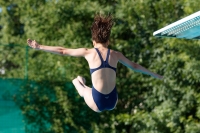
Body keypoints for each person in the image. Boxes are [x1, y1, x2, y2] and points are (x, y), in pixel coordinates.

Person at [27, 14, 163, 113]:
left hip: (97, 103)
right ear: (108, 41)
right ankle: (81, 82)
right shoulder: (116, 55)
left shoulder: (88, 52)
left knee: (79, 85)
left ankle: (78, 81)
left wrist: (40, 47)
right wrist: (155, 75)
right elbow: (134, 66)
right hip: (113, 102)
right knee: (95, 88)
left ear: (93, 41)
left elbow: (62, 51)